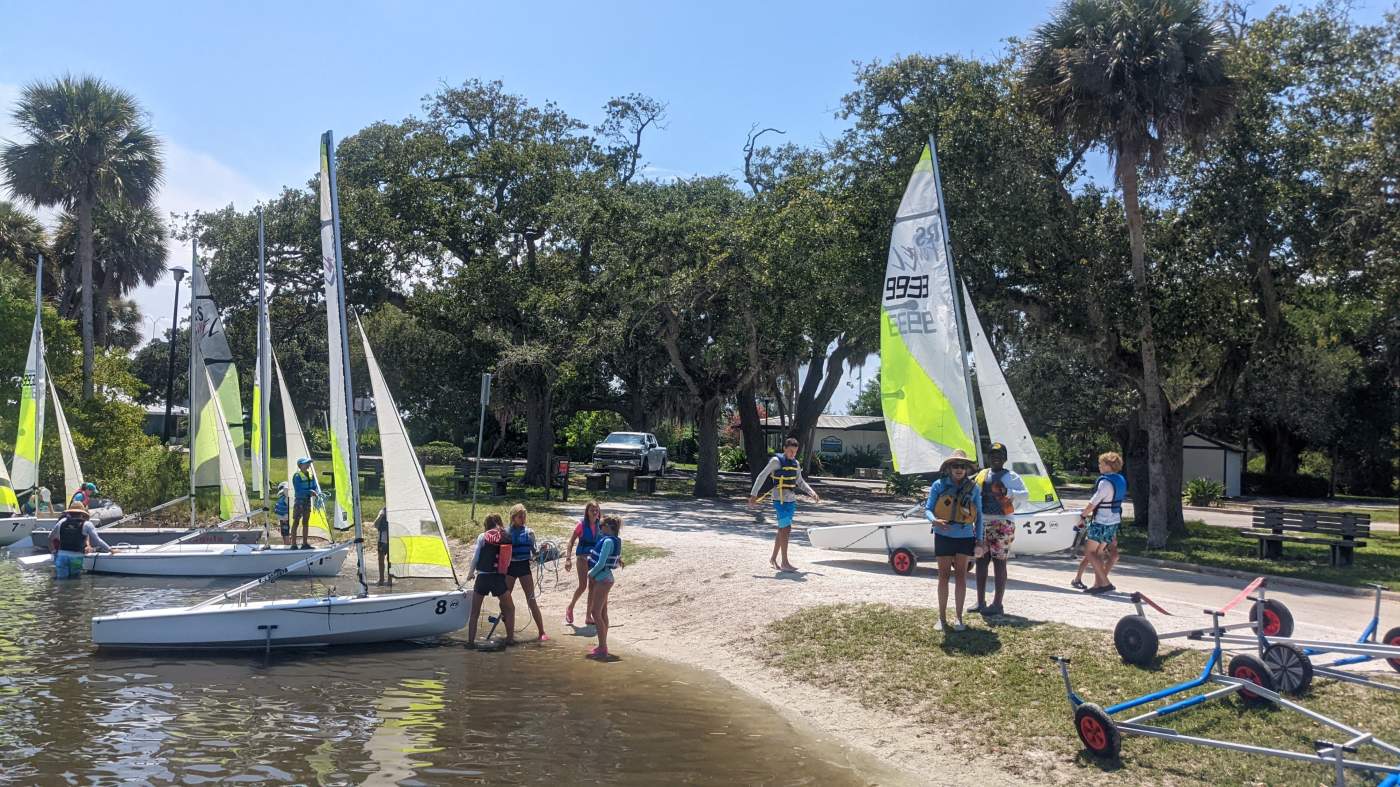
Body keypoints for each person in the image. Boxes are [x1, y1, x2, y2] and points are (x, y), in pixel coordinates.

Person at [925, 450, 982, 632]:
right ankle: (941, 618)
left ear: (966, 469)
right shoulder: (938, 485)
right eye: (955, 466)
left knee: (961, 577)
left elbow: (979, 516)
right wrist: (933, 520)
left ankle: (958, 617)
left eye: (962, 466)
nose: (959, 469)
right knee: (943, 577)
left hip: (965, 538)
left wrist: (979, 540)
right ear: (949, 468)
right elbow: (928, 509)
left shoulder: (974, 488)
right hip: (943, 536)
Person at [747, 437, 822, 572]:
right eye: (790, 451)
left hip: (791, 500)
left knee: (783, 530)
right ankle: (785, 562)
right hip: (779, 499)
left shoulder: (796, 463)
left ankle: (773, 558)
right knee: (786, 529)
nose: (793, 454)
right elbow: (762, 476)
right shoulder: (776, 461)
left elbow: (800, 482)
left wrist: (812, 493)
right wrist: (754, 494)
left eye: (795, 452)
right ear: (784, 449)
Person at [970, 443, 1028, 617]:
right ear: (989, 457)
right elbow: (974, 492)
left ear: (1005, 458)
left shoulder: (1012, 476)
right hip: (982, 522)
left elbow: (1025, 494)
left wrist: (1007, 491)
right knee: (980, 561)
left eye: (1000, 454)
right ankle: (980, 601)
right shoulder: (982, 474)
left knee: (999, 562)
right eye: (993, 454)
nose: (996, 457)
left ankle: (997, 604)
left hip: (1003, 523)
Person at [1074, 452, 1127, 594]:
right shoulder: (1120, 479)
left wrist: (1083, 515)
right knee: (1099, 552)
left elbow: (1094, 502)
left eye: (1101, 463)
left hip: (1101, 521)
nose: (1099, 466)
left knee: (1090, 553)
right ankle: (1098, 585)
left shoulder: (1105, 482)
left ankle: (1105, 583)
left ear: (1108, 465)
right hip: (1113, 522)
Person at [465, 513, 515, 649]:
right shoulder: (507, 537)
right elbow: (508, 560)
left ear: (486, 525)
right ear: (499, 522)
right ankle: (510, 640)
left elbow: (476, 558)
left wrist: (470, 574)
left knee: (474, 613)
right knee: (510, 609)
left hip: (482, 578)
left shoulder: (483, 536)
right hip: (498, 578)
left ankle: (470, 642)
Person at [505, 504, 548, 642]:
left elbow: (534, 553)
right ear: (513, 518)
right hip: (510, 568)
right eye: (520, 516)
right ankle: (509, 634)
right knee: (505, 602)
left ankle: (542, 632)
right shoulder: (506, 533)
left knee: (531, 600)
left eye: (524, 516)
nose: (523, 519)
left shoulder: (529, 533)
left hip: (524, 567)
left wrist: (541, 550)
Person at [587, 515, 623, 659]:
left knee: (596, 613)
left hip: (603, 580)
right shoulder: (609, 540)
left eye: (601, 526)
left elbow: (601, 563)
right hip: (605, 578)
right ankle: (602, 645)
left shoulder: (608, 541)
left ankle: (603, 647)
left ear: (608, 527)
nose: (600, 529)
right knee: (602, 613)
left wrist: (591, 573)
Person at [563, 500, 603, 626]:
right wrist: (568, 559)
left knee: (593, 587)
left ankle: (588, 616)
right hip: (582, 559)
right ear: (587, 512)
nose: (595, 512)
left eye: (596, 510)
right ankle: (570, 608)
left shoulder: (601, 525)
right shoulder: (581, 525)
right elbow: (570, 542)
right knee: (582, 586)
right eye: (592, 510)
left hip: (594, 560)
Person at [49, 503, 111, 579]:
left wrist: (54, 551)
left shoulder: (61, 522)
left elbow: (50, 537)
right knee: (74, 581)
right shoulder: (87, 524)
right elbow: (97, 540)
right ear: (82, 513)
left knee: (61, 580)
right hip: (76, 557)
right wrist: (111, 549)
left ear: (69, 513)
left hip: (62, 556)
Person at [290, 458, 321, 550]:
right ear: (300, 465)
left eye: (309, 463)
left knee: (306, 522)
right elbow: (299, 490)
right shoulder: (297, 476)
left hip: (307, 501)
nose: (308, 465)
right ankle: (294, 544)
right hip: (299, 501)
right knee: (296, 521)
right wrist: (310, 491)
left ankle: (305, 544)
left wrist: (316, 491)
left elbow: (315, 486)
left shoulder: (311, 475)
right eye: (306, 463)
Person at [373, 507, 390, 585]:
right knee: (380, 561)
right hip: (382, 541)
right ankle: (381, 579)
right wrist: (381, 516)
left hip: (392, 541)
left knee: (390, 561)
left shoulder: (394, 511)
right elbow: (375, 525)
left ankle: (390, 580)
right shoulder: (382, 511)